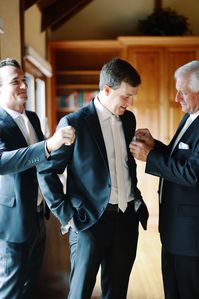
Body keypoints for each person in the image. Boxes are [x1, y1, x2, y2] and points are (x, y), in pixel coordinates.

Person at [37, 57, 149, 299]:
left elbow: (125, 164)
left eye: (133, 97)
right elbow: (47, 171)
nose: (130, 103)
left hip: (126, 220)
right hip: (88, 223)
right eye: (125, 96)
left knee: (116, 293)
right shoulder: (74, 122)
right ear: (106, 90)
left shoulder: (128, 120)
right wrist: (67, 215)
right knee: (79, 293)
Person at [0, 57, 75, 299]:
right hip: (11, 223)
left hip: (38, 217)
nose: (23, 86)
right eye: (15, 82)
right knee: (10, 289)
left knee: (29, 284)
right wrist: (48, 144)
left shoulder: (32, 117)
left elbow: (42, 162)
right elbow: (3, 162)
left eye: (24, 80)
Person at [129, 60, 199, 299]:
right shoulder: (190, 116)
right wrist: (155, 147)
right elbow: (181, 158)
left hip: (191, 237)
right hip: (175, 230)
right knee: (173, 291)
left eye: (183, 92)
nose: (177, 97)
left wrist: (151, 158)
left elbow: (192, 174)